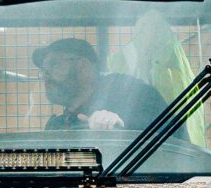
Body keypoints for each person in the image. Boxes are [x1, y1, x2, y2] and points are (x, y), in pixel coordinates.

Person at [34, 36, 165, 133]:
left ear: (82, 65)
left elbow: (173, 137)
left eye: (53, 65)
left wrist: (119, 124)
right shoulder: (57, 126)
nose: (46, 75)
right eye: (43, 70)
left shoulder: (134, 94)